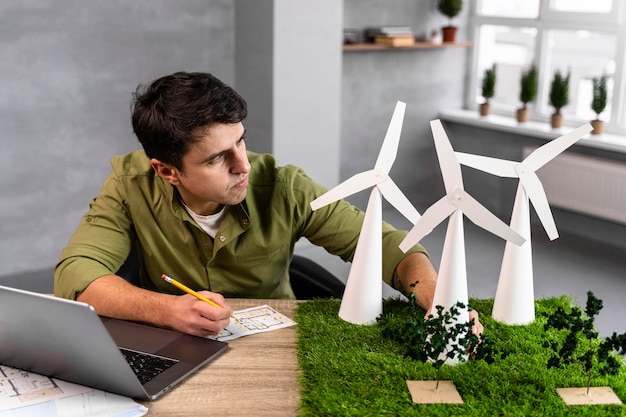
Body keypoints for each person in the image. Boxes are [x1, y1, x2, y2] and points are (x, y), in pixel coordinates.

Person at [54, 72, 482, 337]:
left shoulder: (284, 185)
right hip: (174, 341)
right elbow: (76, 275)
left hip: (276, 344)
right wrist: (166, 309)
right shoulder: (129, 184)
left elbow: (388, 245)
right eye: (218, 157)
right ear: (168, 171)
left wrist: (437, 296)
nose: (243, 165)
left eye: (240, 141)